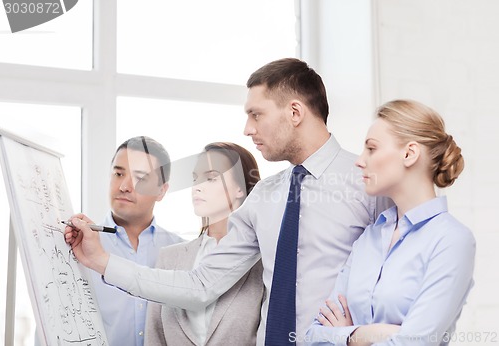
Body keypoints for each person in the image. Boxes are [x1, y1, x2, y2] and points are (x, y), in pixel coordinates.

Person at [64, 58, 392, 345]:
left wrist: (367, 335)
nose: (247, 129)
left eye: (256, 114)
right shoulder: (264, 197)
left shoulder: (369, 182)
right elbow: (201, 283)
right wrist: (102, 261)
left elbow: (406, 284)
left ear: (295, 112)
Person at [305, 99, 475, 345]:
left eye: (371, 149)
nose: (360, 160)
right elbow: (313, 336)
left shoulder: (452, 240)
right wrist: (373, 333)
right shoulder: (369, 237)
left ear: (409, 153)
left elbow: (415, 342)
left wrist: (347, 335)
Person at [144, 142, 264, 346]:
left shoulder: (264, 261)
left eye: (210, 178)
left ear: (240, 188)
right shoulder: (169, 257)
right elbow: (154, 336)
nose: (196, 187)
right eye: (195, 178)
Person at [90, 136, 184, 346]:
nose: (124, 186)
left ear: (162, 191)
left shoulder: (181, 252)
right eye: (118, 173)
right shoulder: (80, 246)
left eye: (140, 178)